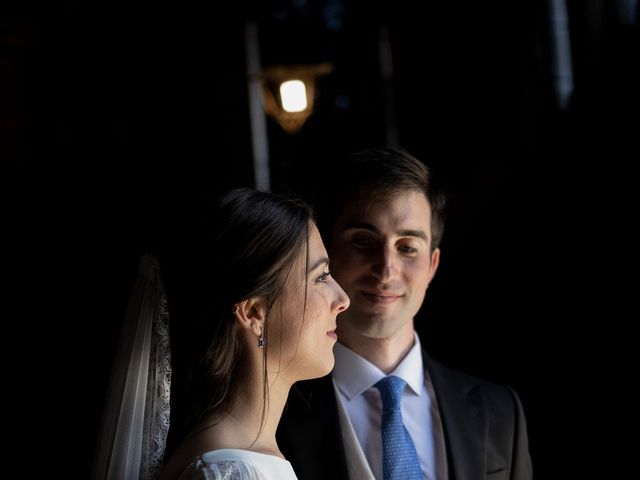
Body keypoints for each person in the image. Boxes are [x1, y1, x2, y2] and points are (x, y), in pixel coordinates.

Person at [277, 147, 533, 480]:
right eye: (363, 241)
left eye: (407, 247)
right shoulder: (278, 410)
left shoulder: (499, 412)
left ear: (432, 265)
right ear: (328, 254)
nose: (386, 270)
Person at [93, 187, 349, 480]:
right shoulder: (228, 472)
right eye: (321, 277)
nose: (342, 299)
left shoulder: (238, 461)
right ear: (253, 313)